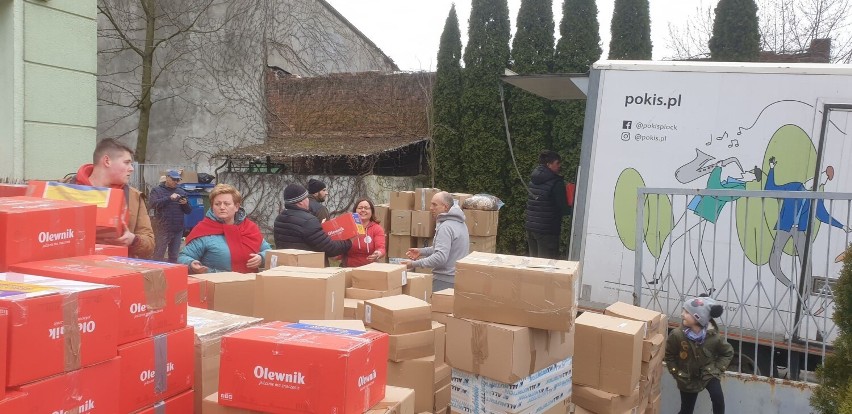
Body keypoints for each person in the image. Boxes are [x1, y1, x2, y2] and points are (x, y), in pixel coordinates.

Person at [70, 138, 155, 259]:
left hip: (115, 269)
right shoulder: (62, 189)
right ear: (107, 161)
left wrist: (134, 240)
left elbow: (150, 244)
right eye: (126, 162)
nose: (131, 168)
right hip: (72, 269)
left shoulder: (133, 197)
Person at [178, 184, 270, 273]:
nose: (222, 207)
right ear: (212, 207)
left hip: (251, 285)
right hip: (216, 285)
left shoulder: (249, 228)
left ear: (236, 207)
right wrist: (191, 264)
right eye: (217, 204)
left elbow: (269, 251)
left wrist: (261, 258)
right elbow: (183, 257)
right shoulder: (203, 230)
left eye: (227, 204)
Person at [665, 295, 734, 414]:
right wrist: (676, 372)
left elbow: (727, 352)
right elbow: (669, 355)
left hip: (709, 373)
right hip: (687, 377)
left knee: (718, 399)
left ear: (699, 318)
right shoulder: (677, 335)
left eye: (687, 312)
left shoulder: (714, 337)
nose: (682, 314)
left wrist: (717, 369)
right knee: (686, 410)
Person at [402, 192, 469, 291]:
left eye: (434, 205)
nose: (431, 208)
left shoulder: (446, 227)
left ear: (445, 207)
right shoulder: (460, 223)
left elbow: (440, 257)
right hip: (456, 278)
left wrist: (413, 264)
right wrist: (421, 251)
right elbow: (444, 250)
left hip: (444, 281)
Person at [274, 183, 352, 261]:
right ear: (300, 202)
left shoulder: (279, 219)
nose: (308, 200)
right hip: (307, 267)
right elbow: (330, 248)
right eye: (306, 198)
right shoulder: (309, 221)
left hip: (287, 265)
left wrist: (319, 228)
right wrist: (349, 242)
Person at [525, 150, 572, 259]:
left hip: (531, 228)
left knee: (534, 263)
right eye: (557, 163)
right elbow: (564, 208)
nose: (559, 166)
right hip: (547, 230)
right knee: (547, 265)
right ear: (549, 164)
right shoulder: (556, 182)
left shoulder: (534, 178)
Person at [149, 169, 191, 262]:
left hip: (177, 229)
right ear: (167, 178)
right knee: (158, 255)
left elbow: (188, 211)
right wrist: (169, 198)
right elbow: (153, 204)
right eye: (174, 179)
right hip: (163, 228)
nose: (176, 182)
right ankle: (156, 274)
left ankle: (171, 275)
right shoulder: (157, 190)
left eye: (177, 180)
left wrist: (185, 204)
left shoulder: (181, 191)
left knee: (174, 256)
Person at [343, 198, 386, 267]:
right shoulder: (348, 227)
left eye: (366, 208)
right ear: (355, 211)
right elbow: (339, 249)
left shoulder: (377, 228)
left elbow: (381, 248)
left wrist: (378, 253)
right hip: (348, 268)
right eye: (360, 208)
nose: (363, 210)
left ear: (372, 212)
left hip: (370, 269)